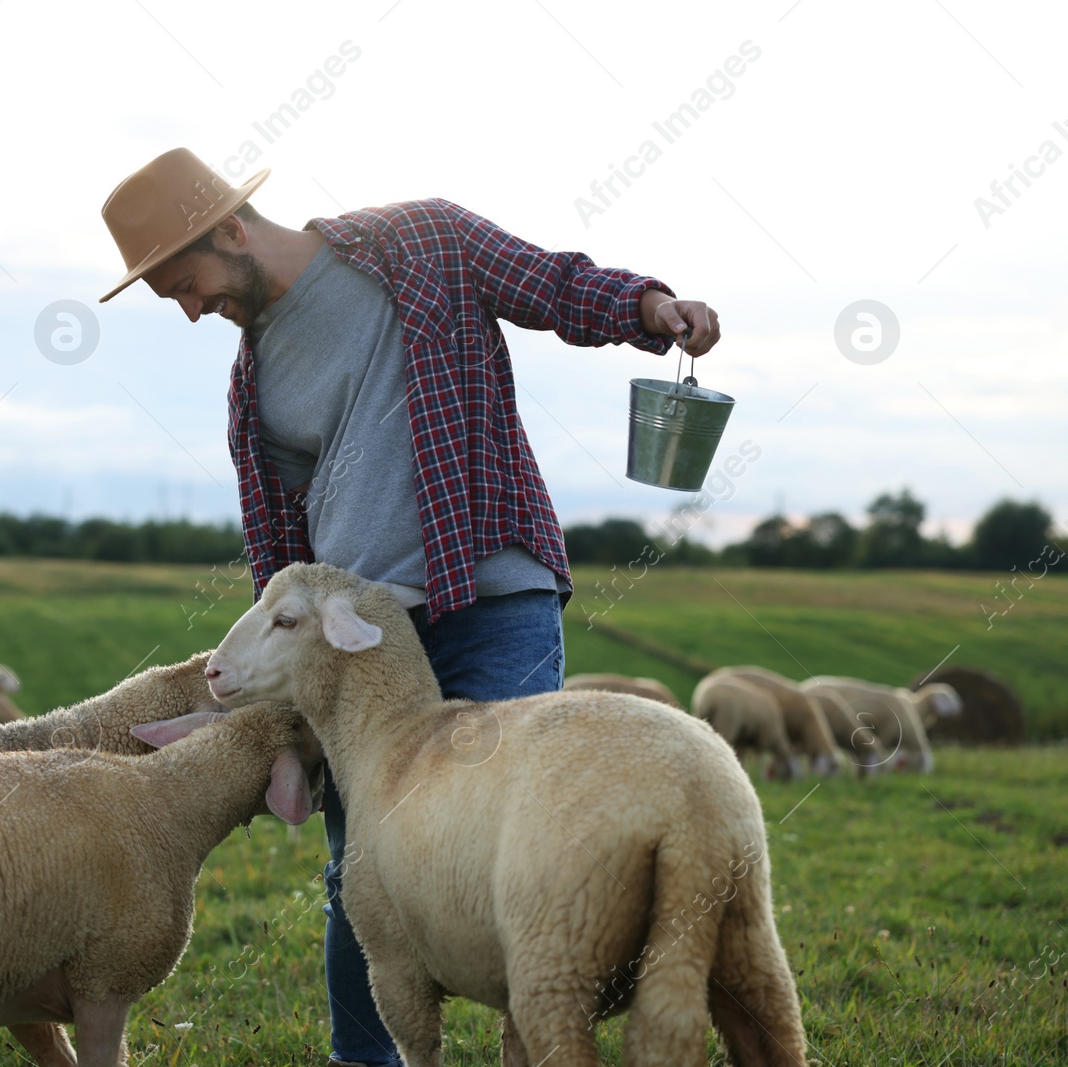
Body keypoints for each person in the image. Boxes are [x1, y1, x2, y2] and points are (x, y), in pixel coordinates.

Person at [99, 148, 720, 1067]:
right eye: (172, 300)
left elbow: (549, 284)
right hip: (364, 655)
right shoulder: (251, 386)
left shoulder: (418, 242)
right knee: (366, 873)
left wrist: (647, 310)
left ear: (229, 229)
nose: (192, 310)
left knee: (524, 848)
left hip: (492, 595)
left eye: (185, 285)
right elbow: (284, 566)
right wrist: (285, 684)